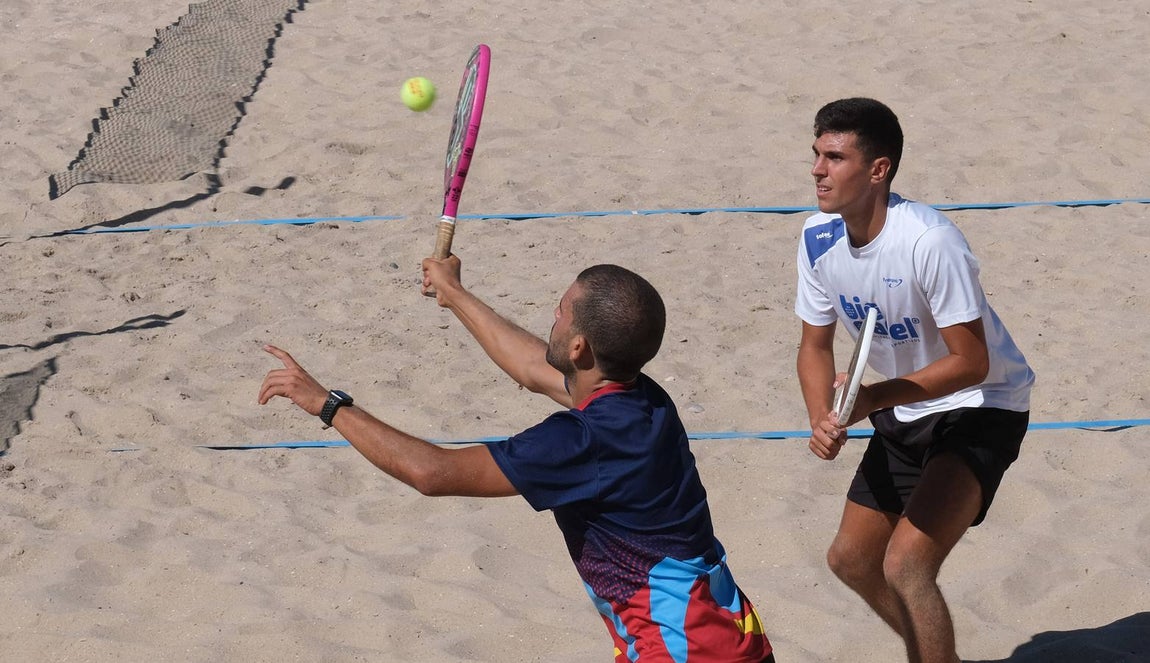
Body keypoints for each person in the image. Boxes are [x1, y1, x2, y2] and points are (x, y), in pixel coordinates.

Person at [259, 258, 775, 662]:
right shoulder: (644, 398)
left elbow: (432, 473)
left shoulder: (581, 441)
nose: (553, 315)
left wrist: (327, 404)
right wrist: (455, 294)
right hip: (728, 632)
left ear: (579, 348)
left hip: (682, 649)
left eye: (561, 311)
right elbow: (531, 365)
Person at [793, 98, 1034, 663]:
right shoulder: (818, 237)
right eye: (816, 155)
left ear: (879, 169)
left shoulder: (930, 241)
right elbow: (814, 346)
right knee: (852, 560)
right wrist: (822, 416)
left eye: (835, 157)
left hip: (982, 404)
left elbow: (971, 362)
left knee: (906, 565)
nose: (817, 170)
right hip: (908, 404)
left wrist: (873, 397)